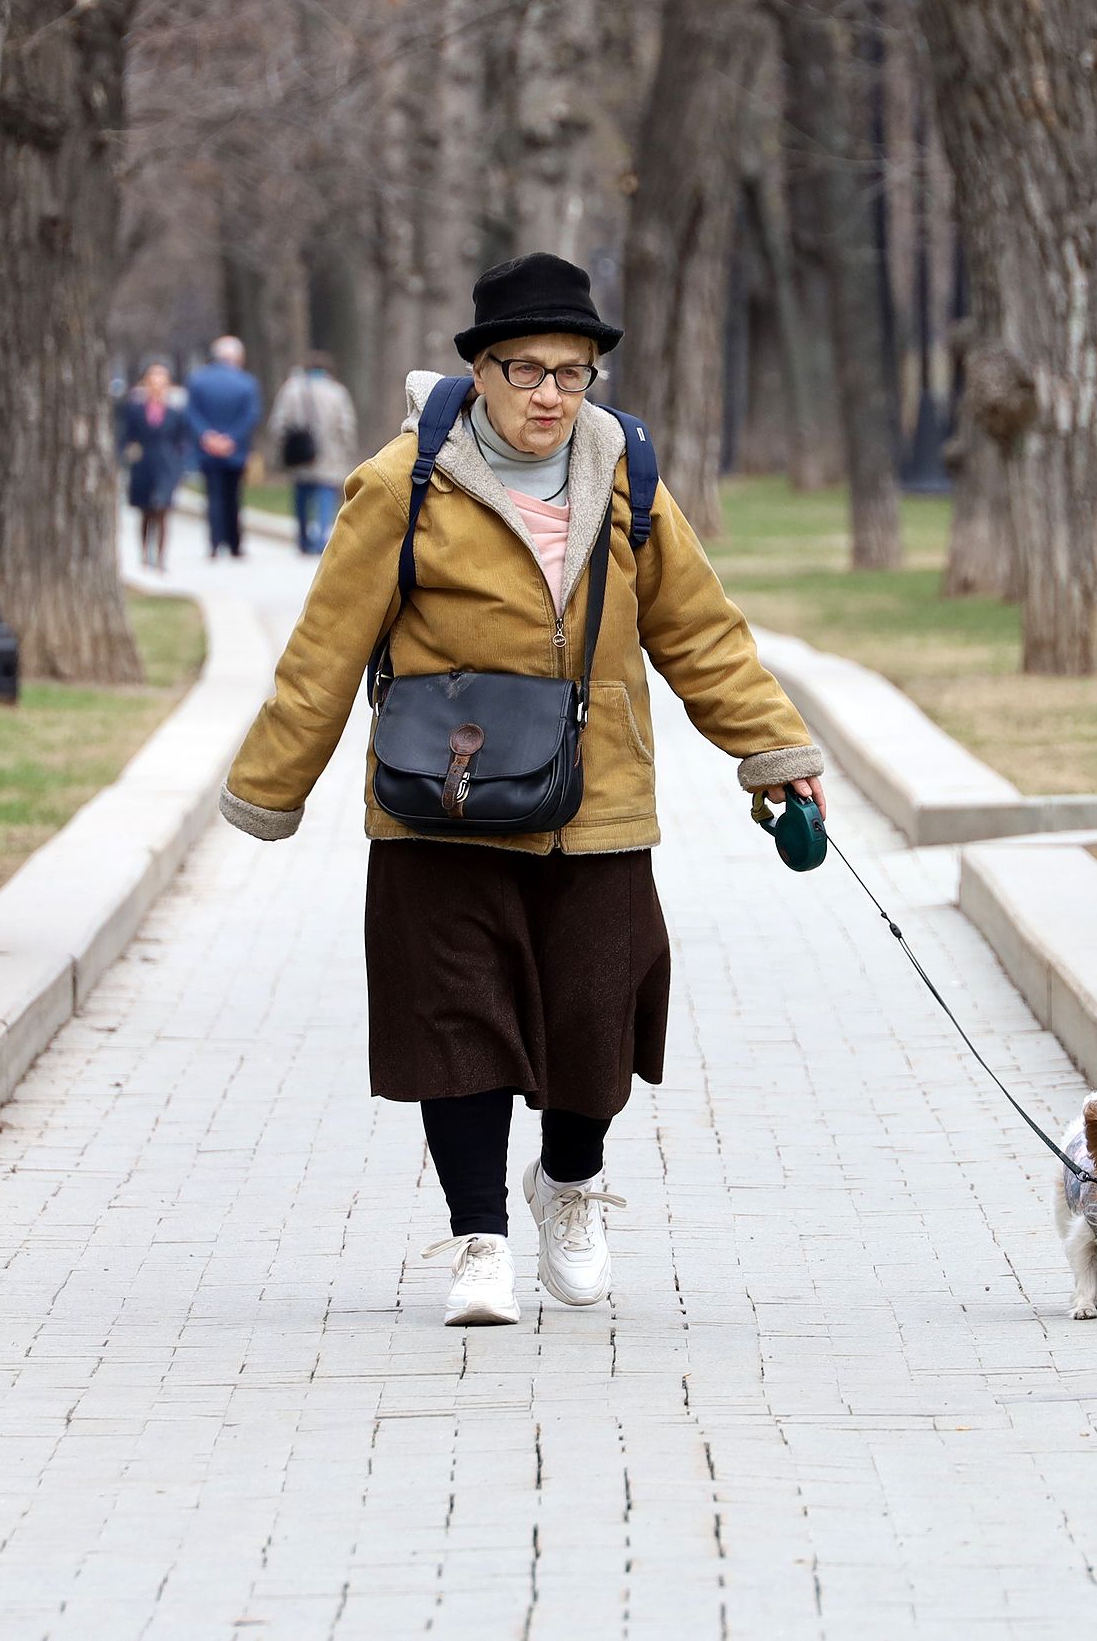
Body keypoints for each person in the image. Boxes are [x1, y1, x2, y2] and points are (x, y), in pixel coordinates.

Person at [217, 252, 830, 1328]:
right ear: (479, 370)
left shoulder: (628, 473)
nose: (550, 394)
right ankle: (478, 1239)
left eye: (572, 371)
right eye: (526, 369)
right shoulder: (402, 482)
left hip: (594, 800)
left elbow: (699, 633)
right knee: (459, 1023)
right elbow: (324, 647)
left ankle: (570, 1183)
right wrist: (271, 789)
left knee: (597, 1016)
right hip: (438, 799)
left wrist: (775, 755)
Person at [267, 353, 358, 554]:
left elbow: (278, 422)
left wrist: (283, 447)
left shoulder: (292, 390)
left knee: (301, 494)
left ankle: (303, 539)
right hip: (329, 455)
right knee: (324, 495)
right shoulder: (337, 392)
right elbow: (346, 426)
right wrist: (346, 450)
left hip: (300, 454)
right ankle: (320, 539)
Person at [186, 336, 262, 558]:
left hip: (207, 449)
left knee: (213, 497)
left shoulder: (198, 380)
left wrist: (207, 436)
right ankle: (235, 542)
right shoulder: (247, 382)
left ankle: (214, 542)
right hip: (235, 449)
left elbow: (192, 413)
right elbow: (251, 415)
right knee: (234, 496)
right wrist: (231, 439)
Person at [115, 360, 195, 571]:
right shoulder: (135, 409)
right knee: (146, 511)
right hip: (144, 463)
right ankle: (144, 554)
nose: (157, 387)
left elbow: (183, 439)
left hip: (167, 464)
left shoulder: (175, 412)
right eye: (153, 382)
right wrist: (127, 452)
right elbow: (125, 435)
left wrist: (181, 463)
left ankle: (160, 558)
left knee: (162, 509)